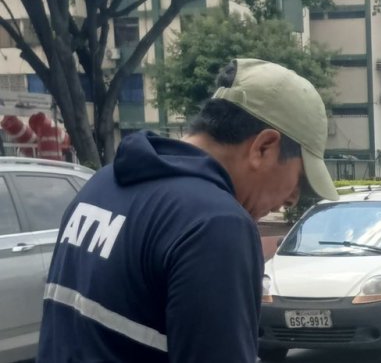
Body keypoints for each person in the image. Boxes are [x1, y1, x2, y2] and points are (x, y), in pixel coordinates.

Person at [39, 59, 339, 363]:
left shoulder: (101, 186)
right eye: (299, 181)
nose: (290, 200)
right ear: (264, 147)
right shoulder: (215, 225)